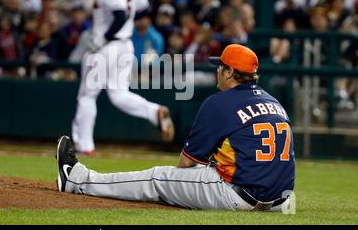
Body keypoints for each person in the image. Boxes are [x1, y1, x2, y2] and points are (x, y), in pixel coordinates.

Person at [56, 44, 295, 211]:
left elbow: (186, 162)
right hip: (280, 202)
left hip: (238, 196)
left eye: (220, 67)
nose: (217, 71)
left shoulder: (220, 102)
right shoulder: (274, 102)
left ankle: (77, 179)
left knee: (157, 177)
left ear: (230, 72)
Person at [71, 0, 175, 155]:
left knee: (87, 96)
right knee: (118, 94)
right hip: (125, 46)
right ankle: (154, 112)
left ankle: (85, 146)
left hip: (106, 47)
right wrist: (124, 27)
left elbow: (119, 15)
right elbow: (144, 10)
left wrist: (104, 38)